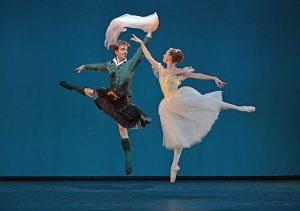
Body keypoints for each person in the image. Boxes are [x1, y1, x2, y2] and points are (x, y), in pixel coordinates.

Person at [131, 34, 255, 183]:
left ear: (170, 58)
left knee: (208, 102)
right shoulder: (160, 68)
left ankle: (239, 108)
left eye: (166, 53)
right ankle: (175, 165)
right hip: (167, 106)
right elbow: (148, 55)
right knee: (178, 135)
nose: (163, 55)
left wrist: (213, 77)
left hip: (179, 99)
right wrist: (141, 42)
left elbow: (196, 75)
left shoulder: (176, 71)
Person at [59, 31, 153, 175]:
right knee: (91, 92)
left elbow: (141, 52)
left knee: (122, 129)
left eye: (126, 50)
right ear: (115, 51)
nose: (125, 51)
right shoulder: (110, 64)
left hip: (123, 101)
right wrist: (85, 66)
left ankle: (128, 161)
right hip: (110, 95)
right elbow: (99, 66)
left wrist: (148, 36)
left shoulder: (130, 64)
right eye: (123, 49)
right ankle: (71, 87)